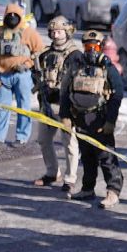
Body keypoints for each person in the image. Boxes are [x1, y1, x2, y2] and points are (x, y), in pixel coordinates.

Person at [59, 30, 124, 209]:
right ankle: (88, 189)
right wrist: (65, 116)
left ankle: (113, 191)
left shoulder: (108, 68)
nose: (91, 50)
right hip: (80, 118)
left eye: (94, 47)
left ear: (101, 48)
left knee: (106, 157)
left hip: (100, 119)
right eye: (88, 46)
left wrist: (110, 121)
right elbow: (64, 91)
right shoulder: (75, 66)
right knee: (86, 156)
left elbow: (117, 94)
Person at [33, 15, 82, 192]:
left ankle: (70, 179)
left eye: (59, 31)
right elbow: (37, 75)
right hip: (46, 105)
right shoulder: (45, 54)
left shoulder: (76, 55)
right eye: (53, 32)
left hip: (66, 106)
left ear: (67, 32)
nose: (55, 35)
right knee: (43, 140)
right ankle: (52, 172)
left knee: (69, 143)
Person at [0, 2, 44, 145]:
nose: (12, 18)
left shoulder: (28, 32)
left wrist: (27, 64)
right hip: (3, 75)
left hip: (22, 75)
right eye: (9, 15)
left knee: (23, 106)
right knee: (2, 107)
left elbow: (40, 51)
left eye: (15, 15)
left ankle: (22, 137)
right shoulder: (0, 31)